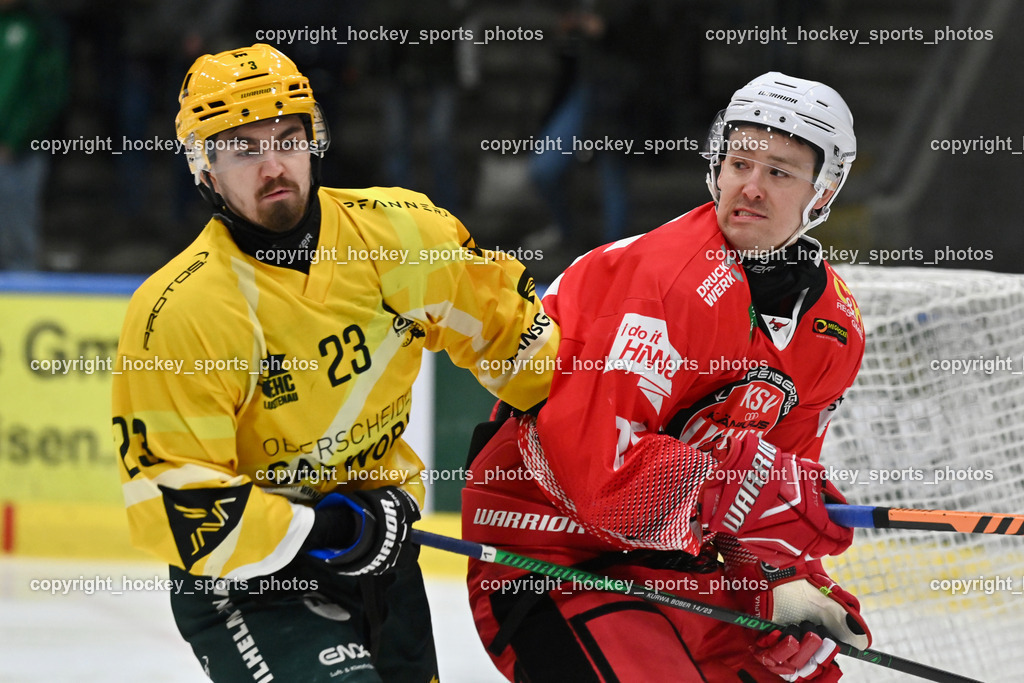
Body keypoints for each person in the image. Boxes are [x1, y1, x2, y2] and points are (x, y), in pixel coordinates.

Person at [111, 44, 558, 682]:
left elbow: (525, 353)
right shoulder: (178, 313)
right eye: (244, 149)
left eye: (287, 138)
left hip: (383, 556)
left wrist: (592, 473)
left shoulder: (405, 238)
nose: (274, 166)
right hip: (252, 581)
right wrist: (320, 529)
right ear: (204, 167)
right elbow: (174, 500)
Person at [463, 72, 869, 681]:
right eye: (739, 164)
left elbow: (779, 485)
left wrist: (786, 580)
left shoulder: (832, 327)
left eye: (779, 172)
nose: (751, 188)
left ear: (824, 188)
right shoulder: (660, 280)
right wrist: (735, 491)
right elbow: (599, 474)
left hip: (676, 556)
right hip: (551, 553)